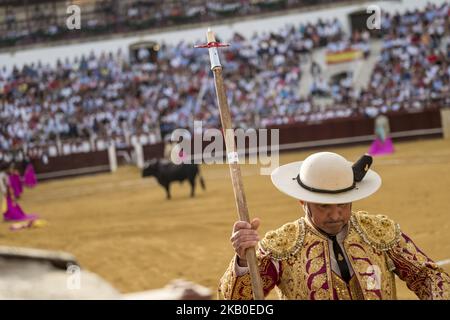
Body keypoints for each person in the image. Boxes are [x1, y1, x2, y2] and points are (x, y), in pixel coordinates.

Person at [219, 152, 449, 300]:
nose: (336, 215)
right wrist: (242, 261)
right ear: (303, 201)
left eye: (343, 204)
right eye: (324, 206)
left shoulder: (379, 232)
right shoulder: (281, 246)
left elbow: (427, 276)